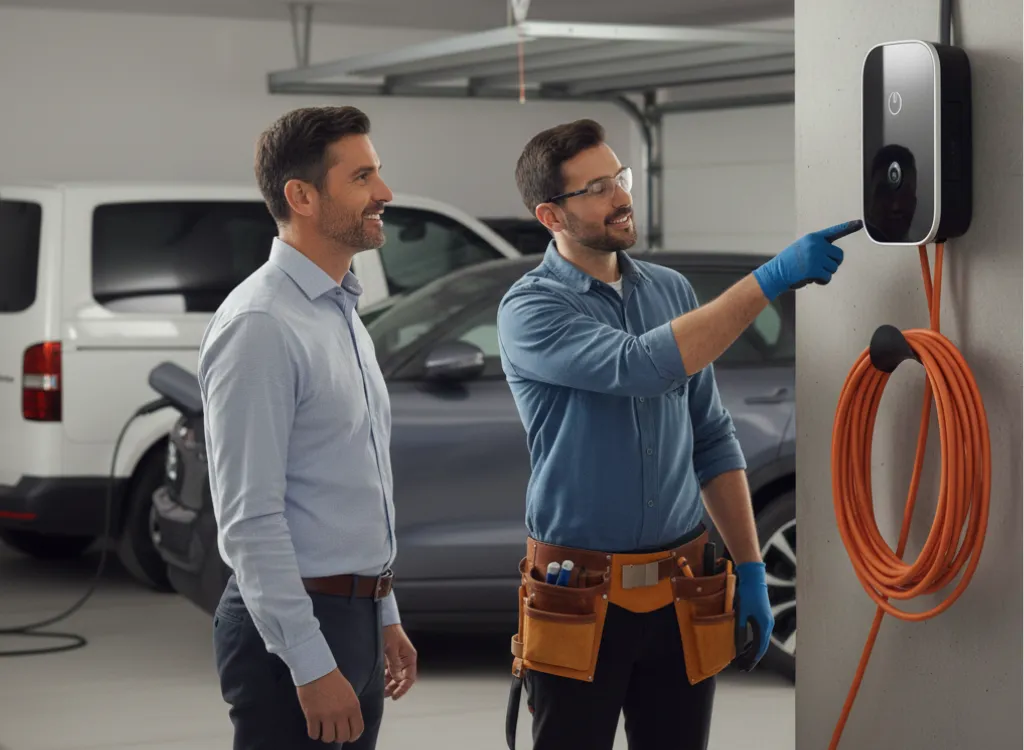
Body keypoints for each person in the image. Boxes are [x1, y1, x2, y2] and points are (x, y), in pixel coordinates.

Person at [497, 119, 860, 750]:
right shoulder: (530, 309)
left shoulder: (670, 290)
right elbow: (640, 364)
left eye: (622, 178)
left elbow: (712, 437)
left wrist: (749, 566)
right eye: (599, 187)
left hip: (682, 588)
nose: (622, 197)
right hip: (579, 596)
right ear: (551, 215)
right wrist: (769, 279)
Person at [198, 105, 418, 750]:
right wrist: (310, 661)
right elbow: (249, 520)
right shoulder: (262, 325)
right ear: (302, 196)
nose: (384, 193)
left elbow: (352, 482)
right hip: (295, 628)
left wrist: (383, 612)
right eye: (362, 177)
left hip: (350, 615)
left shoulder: (340, 308)